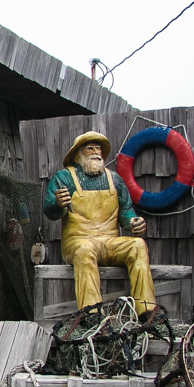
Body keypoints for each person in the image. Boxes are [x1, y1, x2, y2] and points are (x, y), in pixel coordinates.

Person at [43, 131, 157, 315]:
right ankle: (92, 314)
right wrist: (57, 204)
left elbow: (126, 211)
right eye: (90, 148)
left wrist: (133, 222)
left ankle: (146, 311)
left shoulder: (115, 180)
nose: (96, 152)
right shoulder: (64, 178)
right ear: (78, 154)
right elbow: (50, 212)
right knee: (85, 249)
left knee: (138, 245)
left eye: (99, 149)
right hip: (78, 242)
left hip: (110, 242)